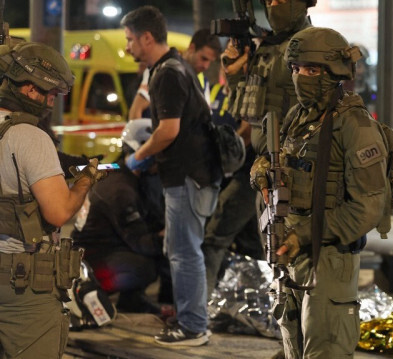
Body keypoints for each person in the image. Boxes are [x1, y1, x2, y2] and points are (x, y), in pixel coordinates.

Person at [250, 27, 389, 358]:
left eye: (310, 70)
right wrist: (261, 170)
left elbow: (368, 208)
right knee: (292, 348)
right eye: (296, 69)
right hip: (290, 251)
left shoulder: (355, 126)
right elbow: (276, 158)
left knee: (325, 349)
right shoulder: (299, 116)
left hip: (328, 257)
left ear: (334, 73)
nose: (300, 77)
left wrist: (304, 234)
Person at [121, 6, 222, 346]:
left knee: (184, 253)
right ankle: (191, 321)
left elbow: (168, 131)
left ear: (147, 37)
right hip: (193, 175)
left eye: (131, 40)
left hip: (187, 178)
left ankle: (192, 327)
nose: (128, 48)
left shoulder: (166, 73)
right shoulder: (178, 67)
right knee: (183, 250)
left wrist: (138, 155)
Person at [0, 42, 105, 359]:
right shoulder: (29, 136)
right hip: (20, 282)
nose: (50, 103)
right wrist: (86, 179)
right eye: (49, 94)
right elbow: (58, 212)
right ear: (29, 88)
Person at [70, 119, 171, 314]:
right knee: (148, 265)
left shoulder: (119, 173)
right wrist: (166, 236)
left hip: (93, 250)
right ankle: (93, 291)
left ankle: (131, 299)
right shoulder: (121, 190)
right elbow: (141, 242)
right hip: (93, 260)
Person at [203, 43, 262, 292]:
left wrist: (225, 157)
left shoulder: (256, 84)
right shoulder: (227, 87)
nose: (227, 59)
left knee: (213, 238)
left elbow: (248, 130)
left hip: (247, 175)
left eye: (233, 54)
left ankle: (197, 314)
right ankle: (261, 306)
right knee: (251, 244)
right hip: (243, 175)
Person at [225, 0, 314, 155]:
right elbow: (244, 108)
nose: (273, 6)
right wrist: (235, 75)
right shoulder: (269, 46)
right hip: (265, 159)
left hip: (296, 157)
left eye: (280, 1)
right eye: (268, 2)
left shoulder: (312, 45)